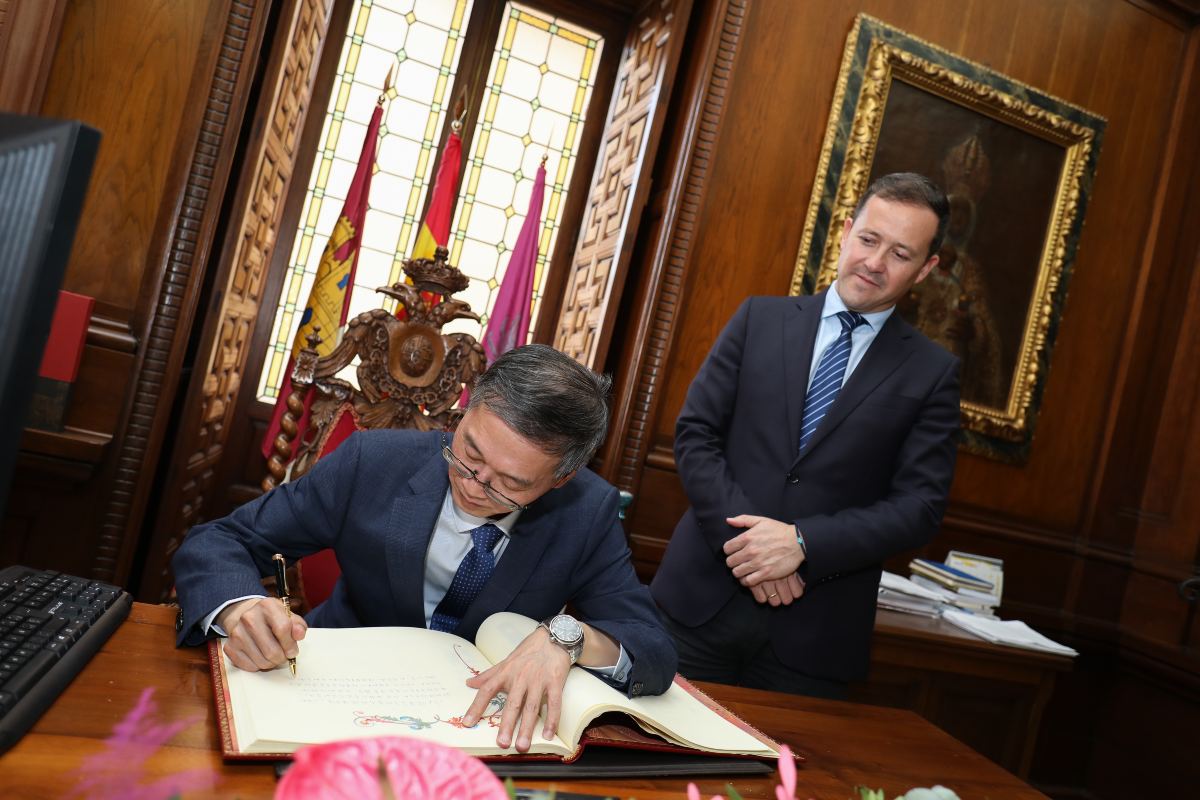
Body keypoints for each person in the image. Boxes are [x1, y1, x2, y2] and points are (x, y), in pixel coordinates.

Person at [173, 344, 677, 753]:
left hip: (484, 730)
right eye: (469, 452)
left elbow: (652, 647)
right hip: (331, 694)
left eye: (510, 484)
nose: (476, 485)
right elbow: (221, 540)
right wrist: (239, 608)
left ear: (562, 478)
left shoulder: (586, 513)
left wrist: (565, 640)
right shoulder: (372, 462)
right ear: (467, 409)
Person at [651, 172, 961, 699]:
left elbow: (919, 507)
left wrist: (801, 544)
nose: (875, 262)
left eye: (900, 254)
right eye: (868, 240)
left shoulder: (933, 372)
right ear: (845, 231)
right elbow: (697, 435)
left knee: (782, 783)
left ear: (926, 269)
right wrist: (751, 550)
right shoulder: (759, 318)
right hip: (697, 603)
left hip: (815, 635)